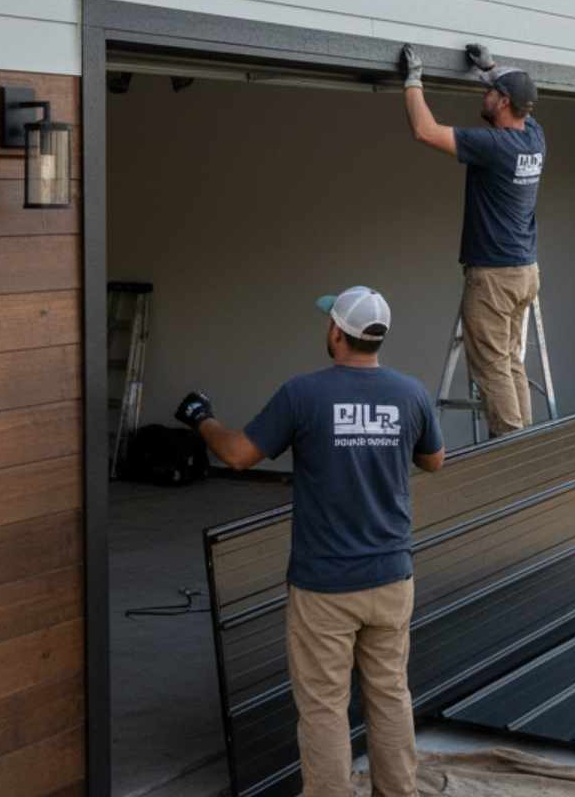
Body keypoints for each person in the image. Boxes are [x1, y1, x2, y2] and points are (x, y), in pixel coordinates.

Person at [174, 286, 445, 797]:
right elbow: (434, 460)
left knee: (323, 706)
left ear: (338, 333)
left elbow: (237, 455)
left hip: (325, 586)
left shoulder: (303, 394)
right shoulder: (410, 393)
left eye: (329, 323)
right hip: (391, 577)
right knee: (390, 696)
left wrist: (200, 418)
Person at [399, 41, 545, 437]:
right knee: (510, 360)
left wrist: (413, 81)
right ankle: (525, 441)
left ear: (503, 103)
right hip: (524, 271)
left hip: (494, 277)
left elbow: (424, 131)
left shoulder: (494, 146)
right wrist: (490, 68)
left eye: (490, 92)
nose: (485, 94)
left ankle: (511, 447)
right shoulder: (534, 136)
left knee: (492, 366)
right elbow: (514, 97)